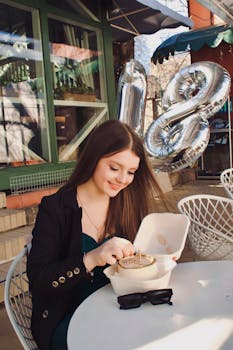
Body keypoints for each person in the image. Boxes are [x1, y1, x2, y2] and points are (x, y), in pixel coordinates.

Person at [27, 119, 163, 350]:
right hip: (68, 319)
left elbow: (138, 259)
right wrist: (91, 258)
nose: (122, 179)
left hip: (121, 308)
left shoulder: (129, 201)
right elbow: (40, 281)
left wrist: (158, 259)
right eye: (114, 167)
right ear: (93, 158)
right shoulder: (56, 208)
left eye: (131, 172)